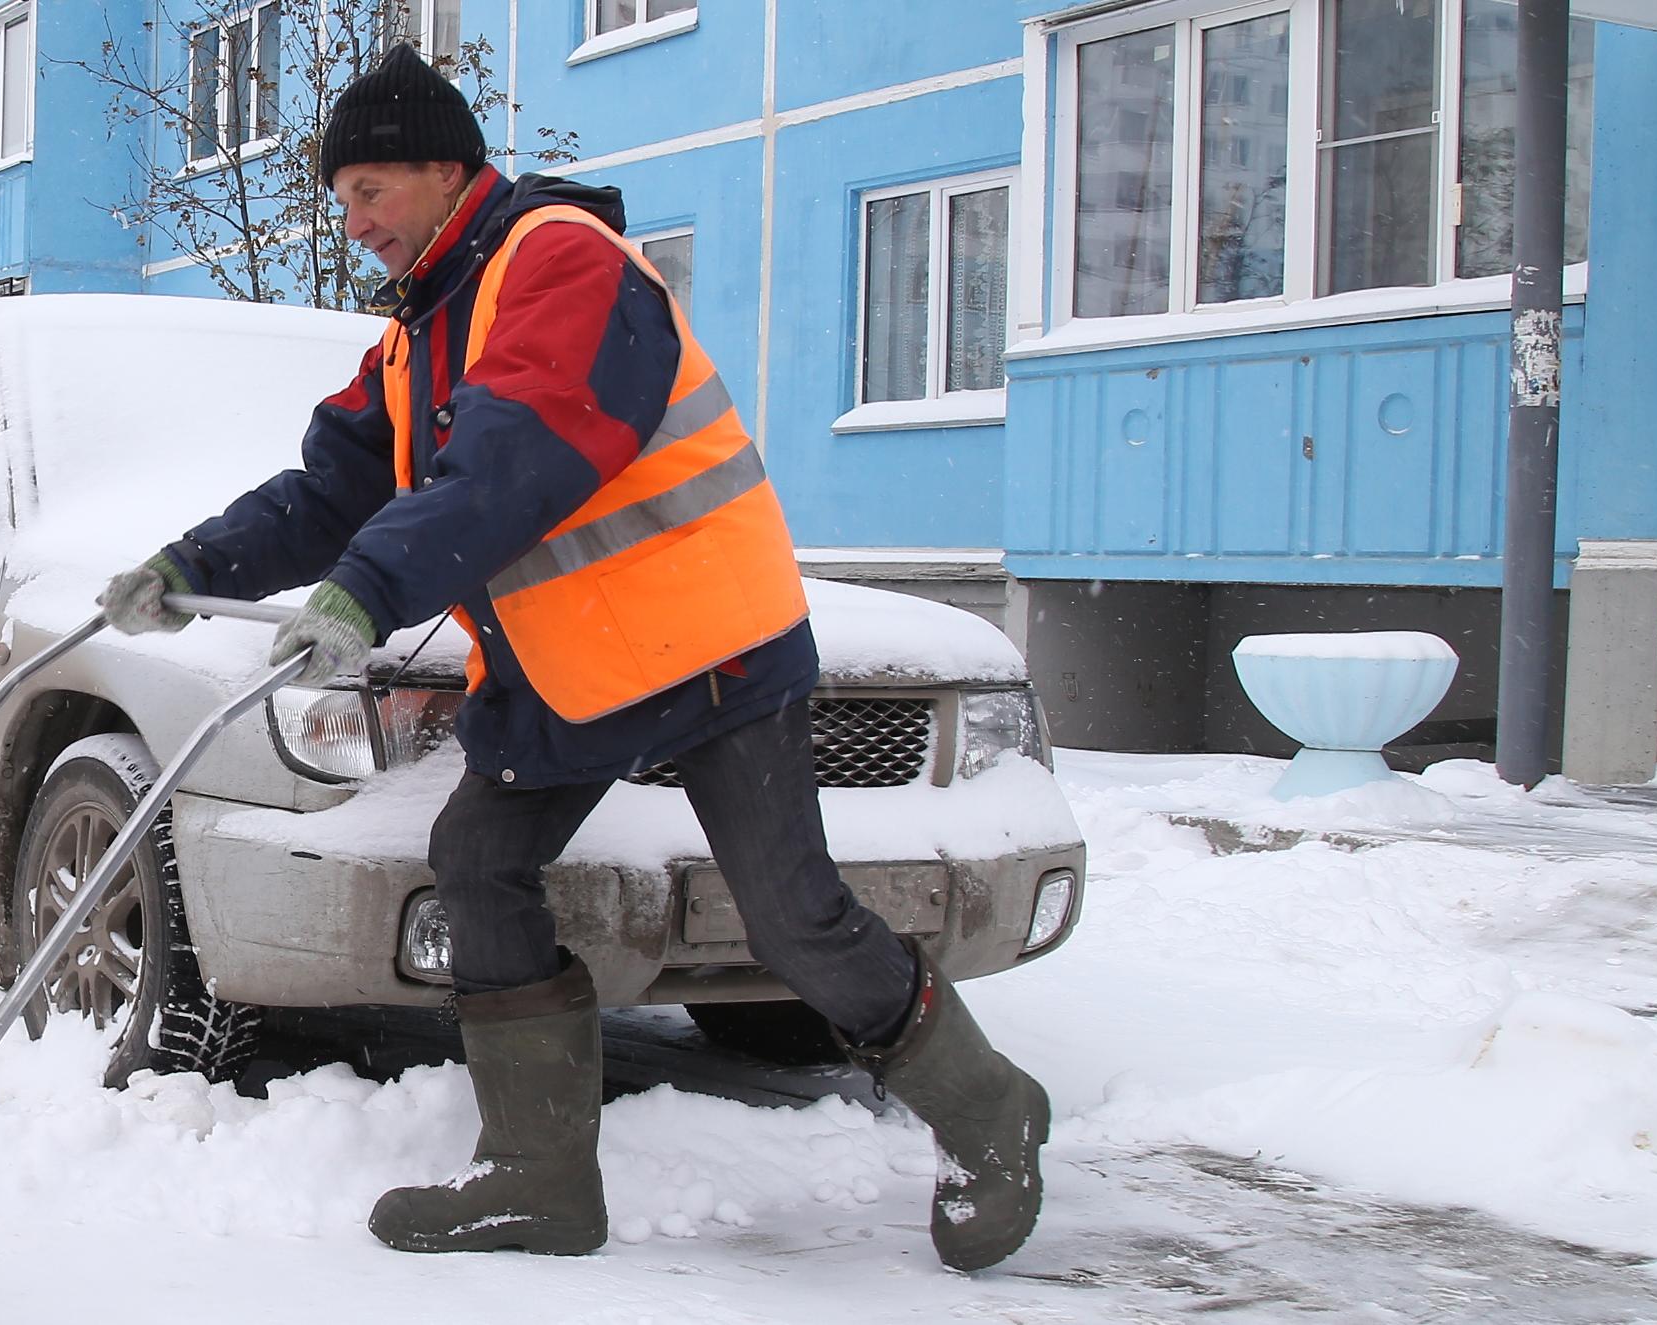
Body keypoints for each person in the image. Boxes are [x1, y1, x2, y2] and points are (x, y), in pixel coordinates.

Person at [95, 44, 1050, 1271]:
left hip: (710, 647)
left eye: (371, 190)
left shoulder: (561, 264)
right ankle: (537, 1174)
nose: (355, 223)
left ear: (447, 171)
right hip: (575, 670)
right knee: (479, 860)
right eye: (341, 201)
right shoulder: (418, 334)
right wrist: (188, 568)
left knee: (793, 918)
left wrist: (369, 589)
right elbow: (327, 487)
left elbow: (514, 460)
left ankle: (988, 1111)